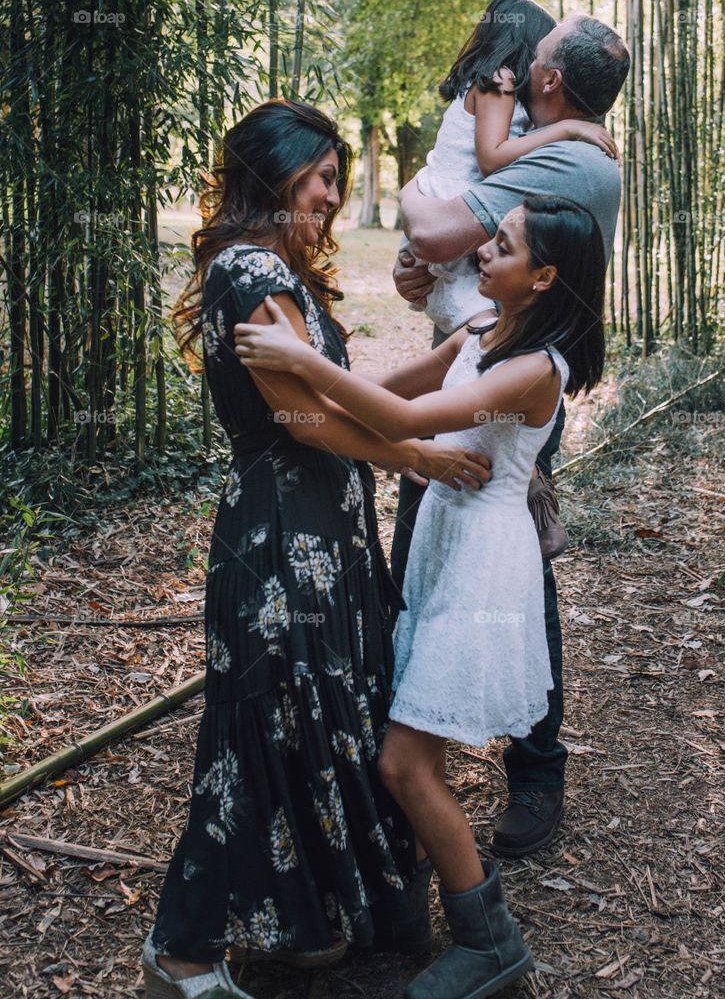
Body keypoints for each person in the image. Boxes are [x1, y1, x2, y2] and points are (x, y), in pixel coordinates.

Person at [142, 100, 491, 999]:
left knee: (306, 723)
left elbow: (349, 396)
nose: (333, 196)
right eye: (322, 178)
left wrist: (459, 354)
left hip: (315, 531)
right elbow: (302, 421)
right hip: (279, 536)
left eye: (336, 179)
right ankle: (180, 952)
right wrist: (414, 454)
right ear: (277, 174)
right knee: (263, 730)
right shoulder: (252, 266)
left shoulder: (264, 268)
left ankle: (301, 922)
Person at [234, 193, 608, 999]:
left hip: (484, 564)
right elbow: (370, 396)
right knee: (407, 745)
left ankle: (489, 940)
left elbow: (406, 417)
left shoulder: (537, 372)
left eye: (500, 247)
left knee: (405, 763)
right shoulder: (480, 332)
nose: (482, 252)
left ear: (542, 277)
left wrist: (299, 359)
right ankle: (405, 907)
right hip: (441, 544)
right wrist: (295, 381)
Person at [392, 12, 630, 858]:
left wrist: (427, 237)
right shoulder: (539, 133)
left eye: (531, 61)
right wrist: (416, 269)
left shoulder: (567, 154)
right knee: (426, 544)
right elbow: (441, 256)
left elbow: (444, 231)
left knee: (509, 558)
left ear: (547, 78)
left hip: (517, 380)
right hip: (473, 357)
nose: (521, 71)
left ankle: (533, 768)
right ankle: (413, 759)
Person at [399, 0, 617, 337]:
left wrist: (410, 193)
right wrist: (567, 128)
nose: (532, 64)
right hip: (446, 202)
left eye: (539, 58)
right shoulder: (500, 82)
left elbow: (434, 237)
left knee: (477, 326)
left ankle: (474, 352)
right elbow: (490, 162)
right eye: (536, 51)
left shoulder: (567, 158)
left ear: (552, 79)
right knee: (470, 321)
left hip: (445, 217)